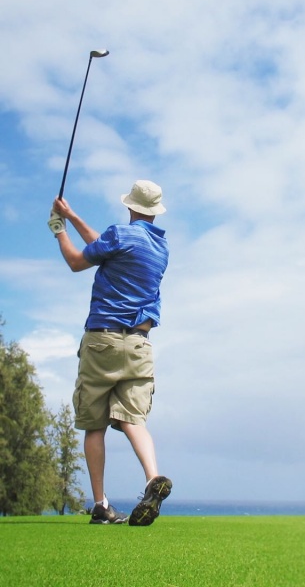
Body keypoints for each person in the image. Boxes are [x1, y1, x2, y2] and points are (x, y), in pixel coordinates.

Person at [49, 180, 172, 526]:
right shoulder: (161, 248)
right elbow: (103, 247)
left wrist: (59, 229)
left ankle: (101, 504)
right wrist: (72, 215)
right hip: (140, 345)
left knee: (95, 425)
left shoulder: (119, 235)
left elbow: (78, 261)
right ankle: (152, 478)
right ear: (155, 210)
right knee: (132, 419)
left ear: (130, 206)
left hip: (103, 341)